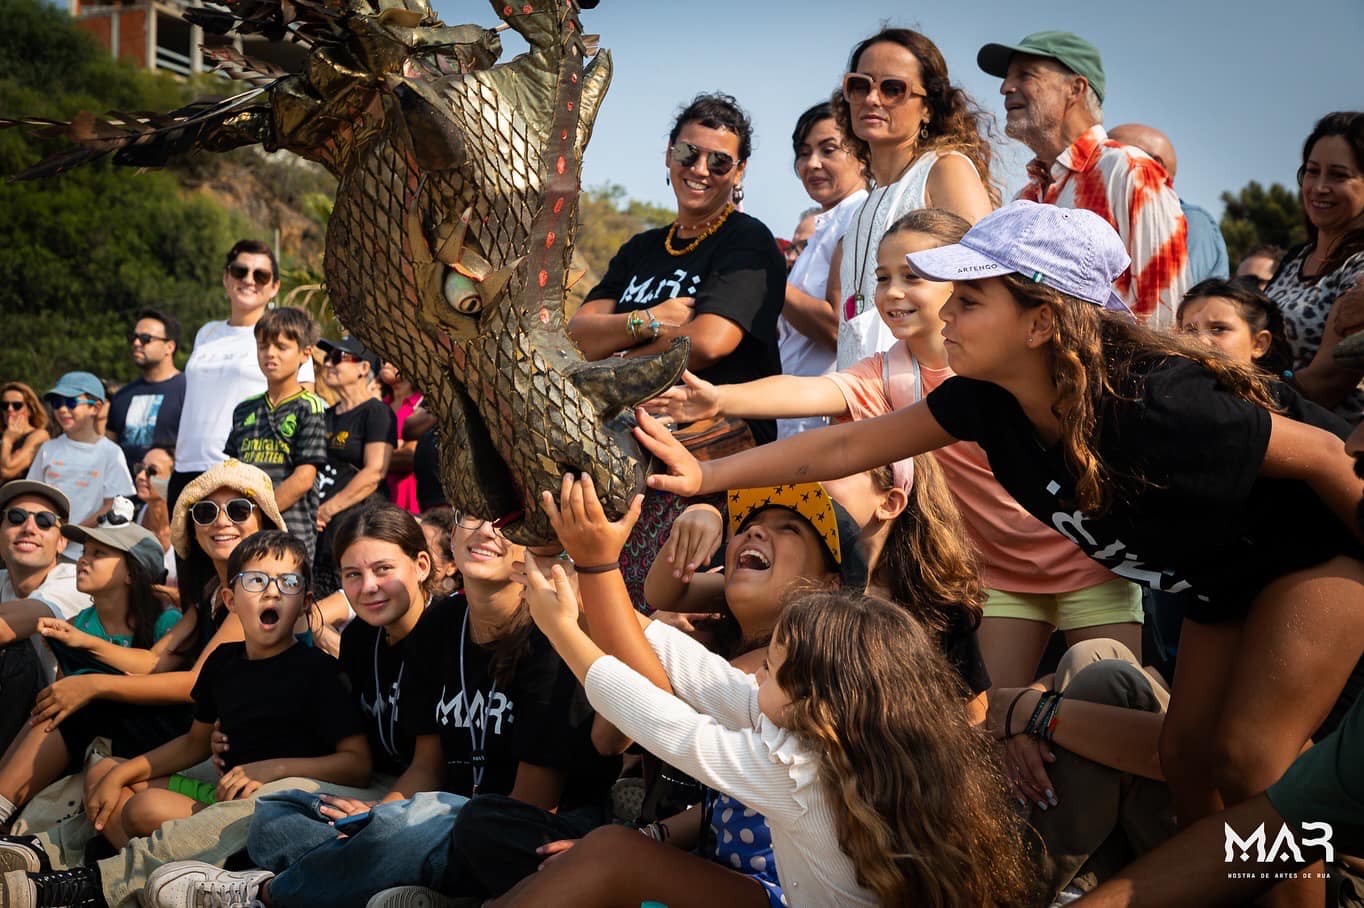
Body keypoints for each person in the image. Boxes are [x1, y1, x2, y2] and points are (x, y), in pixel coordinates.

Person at [639, 199, 1364, 907]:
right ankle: (1241, 892)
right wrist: (708, 476)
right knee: (1185, 758)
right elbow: (849, 442)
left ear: (1042, 321)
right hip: (1216, 577)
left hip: (1313, 552)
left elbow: (1330, 457)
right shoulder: (986, 400)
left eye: (970, 302)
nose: (946, 316)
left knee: (1250, 761)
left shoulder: (1155, 400)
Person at [648, 209, 1138, 687]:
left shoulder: (998, 368)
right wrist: (721, 397)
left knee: (1114, 691)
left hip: (1084, 558)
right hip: (1001, 573)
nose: (893, 292)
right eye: (883, 277)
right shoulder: (890, 373)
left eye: (915, 276)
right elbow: (816, 402)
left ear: (959, 283)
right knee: (999, 727)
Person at [501, 534, 1036, 905]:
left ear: (819, 701)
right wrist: (586, 579)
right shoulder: (837, 739)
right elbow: (706, 676)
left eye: (773, 669)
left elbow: (670, 728)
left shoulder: (802, 775)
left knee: (607, 853)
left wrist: (563, 632)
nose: (757, 678)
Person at [146, 506, 621, 908]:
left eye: (502, 522)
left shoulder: (552, 630)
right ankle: (413, 883)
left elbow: (533, 801)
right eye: (468, 518)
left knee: (458, 824)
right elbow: (427, 766)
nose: (483, 532)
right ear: (447, 545)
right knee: (278, 816)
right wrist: (379, 817)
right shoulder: (439, 628)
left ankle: (267, 894)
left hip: (527, 826)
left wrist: (393, 822)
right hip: (436, 812)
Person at [82, 531, 370, 849]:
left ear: (304, 602)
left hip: (268, 806)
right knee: (105, 773)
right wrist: (121, 774)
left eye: (288, 583)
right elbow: (195, 743)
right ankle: (167, 873)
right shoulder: (221, 661)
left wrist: (273, 769)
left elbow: (357, 764)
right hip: (221, 793)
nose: (272, 593)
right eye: (256, 581)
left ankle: (169, 869)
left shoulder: (320, 671)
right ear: (230, 600)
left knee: (143, 810)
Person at [568, 92, 786, 446]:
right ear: (669, 154)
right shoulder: (641, 248)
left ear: (739, 170)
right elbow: (578, 335)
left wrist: (614, 363)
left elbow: (709, 341)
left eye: (719, 162)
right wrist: (647, 319)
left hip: (713, 433)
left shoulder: (748, 241)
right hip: (625, 419)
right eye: (688, 153)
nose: (700, 169)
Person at [977, 31, 1189, 327]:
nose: (1005, 88)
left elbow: (1165, 311)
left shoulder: (1130, 170)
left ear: (1075, 89)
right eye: (1008, 77)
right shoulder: (1026, 197)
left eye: (1025, 75)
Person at [829, 27, 997, 367]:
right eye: (860, 85)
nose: (872, 99)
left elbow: (986, 283)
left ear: (928, 108)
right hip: (865, 392)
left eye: (893, 89)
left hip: (933, 395)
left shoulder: (945, 169)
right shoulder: (863, 205)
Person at [170, 240, 314, 511]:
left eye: (261, 275)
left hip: (240, 473)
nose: (249, 280)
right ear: (226, 278)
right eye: (240, 271)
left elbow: (302, 408)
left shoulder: (286, 339)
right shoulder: (207, 332)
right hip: (186, 469)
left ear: (274, 287)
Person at [1264, 112, 1364, 421]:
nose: (1319, 187)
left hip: (1319, 437)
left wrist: (1239, 399)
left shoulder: (1359, 268)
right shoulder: (1296, 259)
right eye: (1311, 171)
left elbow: (1329, 380)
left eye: (1338, 175)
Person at [778, 103, 867, 439]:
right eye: (803, 153)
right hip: (796, 423)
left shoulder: (859, 219)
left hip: (829, 431)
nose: (812, 163)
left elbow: (838, 330)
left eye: (828, 150)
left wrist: (768, 276)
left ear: (862, 154)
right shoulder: (822, 230)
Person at [224, 307, 328, 560]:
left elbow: (304, 477)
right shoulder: (244, 409)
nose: (270, 354)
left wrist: (258, 515)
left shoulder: (310, 406)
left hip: (291, 531)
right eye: (263, 346)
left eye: (281, 347)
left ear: (305, 354)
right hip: (244, 528)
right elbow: (232, 470)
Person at [0, 481, 90, 754]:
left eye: (45, 521)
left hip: (50, 729)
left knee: (12, 649)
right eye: (16, 517)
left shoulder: (74, 583)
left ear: (61, 542)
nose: (29, 528)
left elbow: (4, 628)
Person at [311, 336, 396, 597]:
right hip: (319, 537)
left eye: (339, 358)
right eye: (327, 358)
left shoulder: (376, 413)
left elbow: (375, 472)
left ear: (363, 368)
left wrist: (326, 510)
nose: (329, 364)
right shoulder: (323, 415)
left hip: (356, 530)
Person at [1108, 123, 1229, 285]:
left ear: (1153, 166)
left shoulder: (1191, 223)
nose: (1098, 165)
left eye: (1111, 155)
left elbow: (1171, 298)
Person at [27, 372, 135, 538]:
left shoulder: (111, 452)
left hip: (87, 550)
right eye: (57, 403)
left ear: (96, 407)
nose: (62, 409)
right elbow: (32, 495)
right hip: (47, 545)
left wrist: (70, 534)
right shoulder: (48, 448)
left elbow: (112, 505)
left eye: (71, 403)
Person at [105, 308, 186, 472]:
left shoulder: (189, 390)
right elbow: (109, 450)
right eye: (133, 337)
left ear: (169, 347)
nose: (136, 343)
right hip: (125, 493)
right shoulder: (122, 396)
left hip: (171, 493)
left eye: (145, 339)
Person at [1177, 278, 1293, 377]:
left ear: (1259, 344)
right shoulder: (1163, 394)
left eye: (1218, 329)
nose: (1200, 340)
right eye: (1191, 331)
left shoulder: (1283, 402)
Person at [379, 361, 425, 514]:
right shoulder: (382, 404)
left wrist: (370, 451)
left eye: (390, 357)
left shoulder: (422, 404)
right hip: (381, 498)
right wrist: (396, 446)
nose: (385, 363)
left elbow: (410, 458)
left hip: (410, 500)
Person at [0, 383, 50, 483]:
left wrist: (8, 441)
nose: (10, 409)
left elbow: (7, 470)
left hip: (21, 497)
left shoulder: (38, 435)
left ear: (30, 409)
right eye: (5, 405)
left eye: (17, 405)